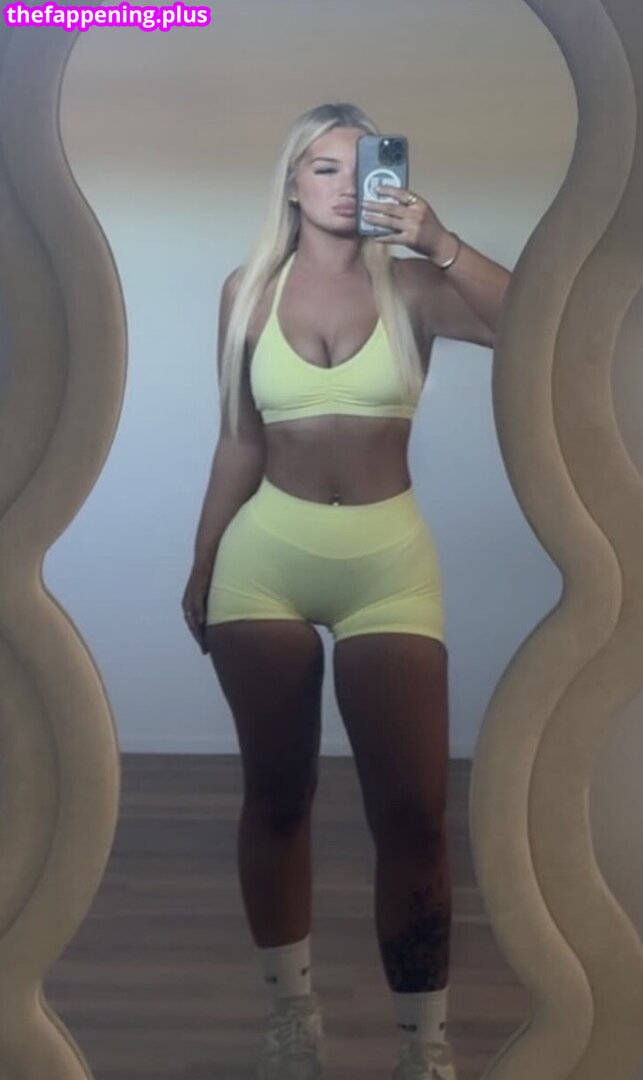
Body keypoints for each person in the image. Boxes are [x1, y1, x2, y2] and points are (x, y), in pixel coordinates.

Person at [181, 102, 510, 1080]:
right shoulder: (246, 290)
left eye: (361, 167)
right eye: (322, 167)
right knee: (277, 795)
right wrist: (202, 562)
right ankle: (292, 1022)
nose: (342, 184)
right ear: (292, 184)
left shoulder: (413, 287)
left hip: (384, 560)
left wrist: (441, 242)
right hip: (266, 555)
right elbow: (238, 439)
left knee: (412, 813)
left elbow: (540, 324)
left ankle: (425, 1049)